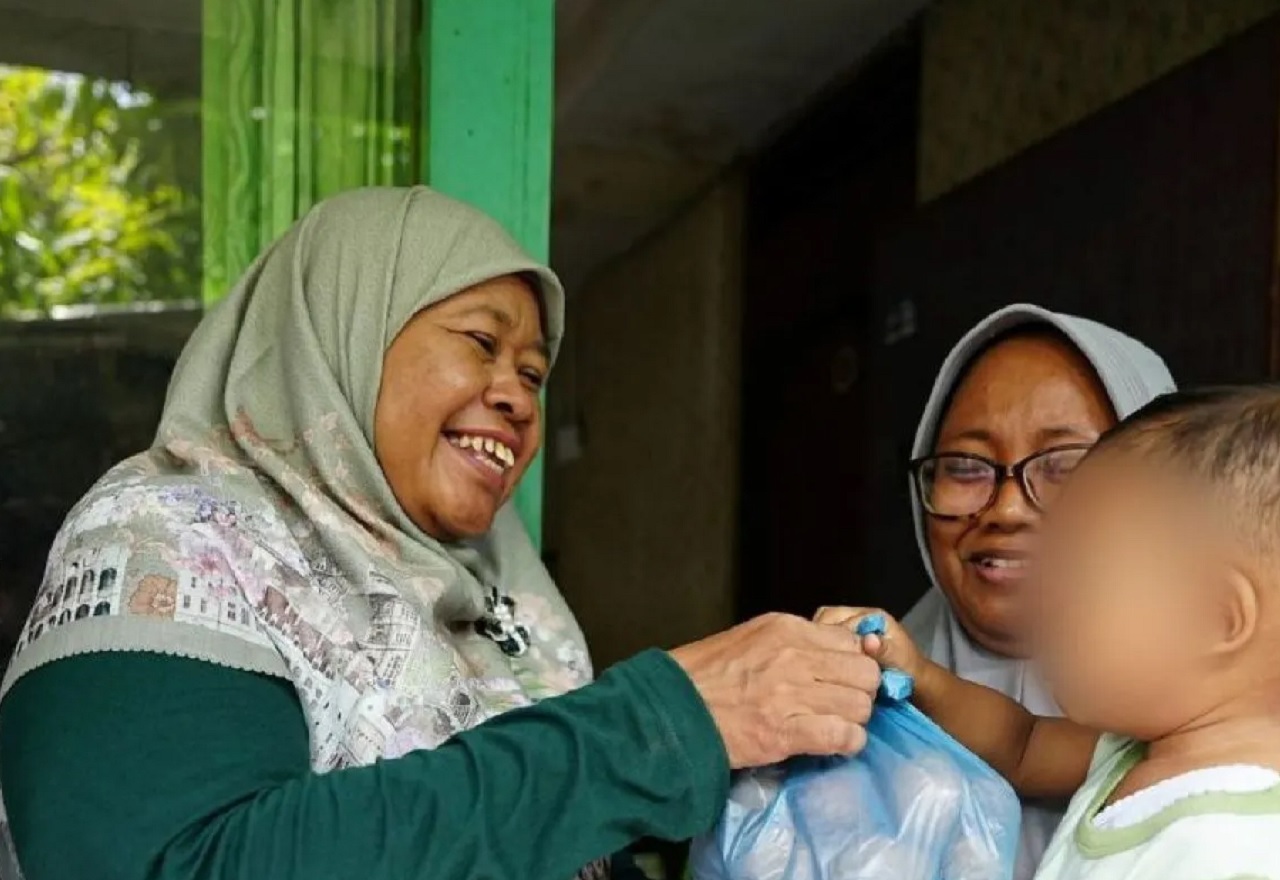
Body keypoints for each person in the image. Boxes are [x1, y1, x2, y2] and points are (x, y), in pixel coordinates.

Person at [0, 187, 881, 880]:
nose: (517, 396)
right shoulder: (166, 535)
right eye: (481, 344)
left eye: (534, 373)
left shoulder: (499, 598)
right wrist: (654, 727)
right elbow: (175, 862)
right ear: (346, 332)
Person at [820, 385, 1280, 878]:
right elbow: (1021, 742)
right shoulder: (1129, 753)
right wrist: (922, 676)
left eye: (1079, 576)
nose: (1044, 598)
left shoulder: (1240, 848)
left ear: (1214, 616)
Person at [896, 305, 1175, 878]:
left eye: (1066, 466)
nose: (1006, 509)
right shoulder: (859, 708)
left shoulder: (1205, 721)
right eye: (965, 467)